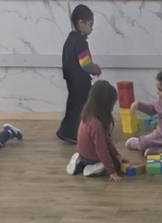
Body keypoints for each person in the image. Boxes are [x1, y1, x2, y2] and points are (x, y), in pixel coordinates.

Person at [57, 3, 101, 144]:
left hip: (71, 80)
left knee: (74, 106)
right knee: (84, 106)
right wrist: (95, 69)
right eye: (90, 24)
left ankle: (66, 131)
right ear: (81, 23)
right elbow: (85, 64)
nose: (92, 28)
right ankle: (75, 133)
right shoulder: (81, 42)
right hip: (80, 81)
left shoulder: (70, 39)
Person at [66, 80, 122, 180]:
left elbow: (106, 140)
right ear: (105, 105)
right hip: (92, 159)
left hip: (82, 155)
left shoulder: (87, 114)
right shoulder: (96, 124)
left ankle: (78, 162)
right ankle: (94, 168)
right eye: (112, 105)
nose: (113, 108)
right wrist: (112, 172)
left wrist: (116, 154)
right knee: (116, 164)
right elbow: (102, 150)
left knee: (115, 159)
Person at [126, 62, 162, 156]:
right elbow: (152, 109)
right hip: (160, 136)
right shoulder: (161, 101)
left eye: (160, 90)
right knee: (144, 142)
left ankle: (159, 151)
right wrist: (139, 105)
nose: (157, 92)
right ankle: (138, 143)